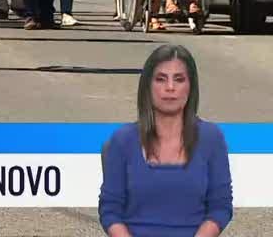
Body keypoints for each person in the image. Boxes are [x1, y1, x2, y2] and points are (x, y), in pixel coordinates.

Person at [99, 44, 232, 237]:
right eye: (161, 79)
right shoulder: (123, 140)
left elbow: (220, 208)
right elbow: (110, 211)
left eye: (179, 80)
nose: (170, 88)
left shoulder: (211, 138)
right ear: (147, 86)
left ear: (190, 86)